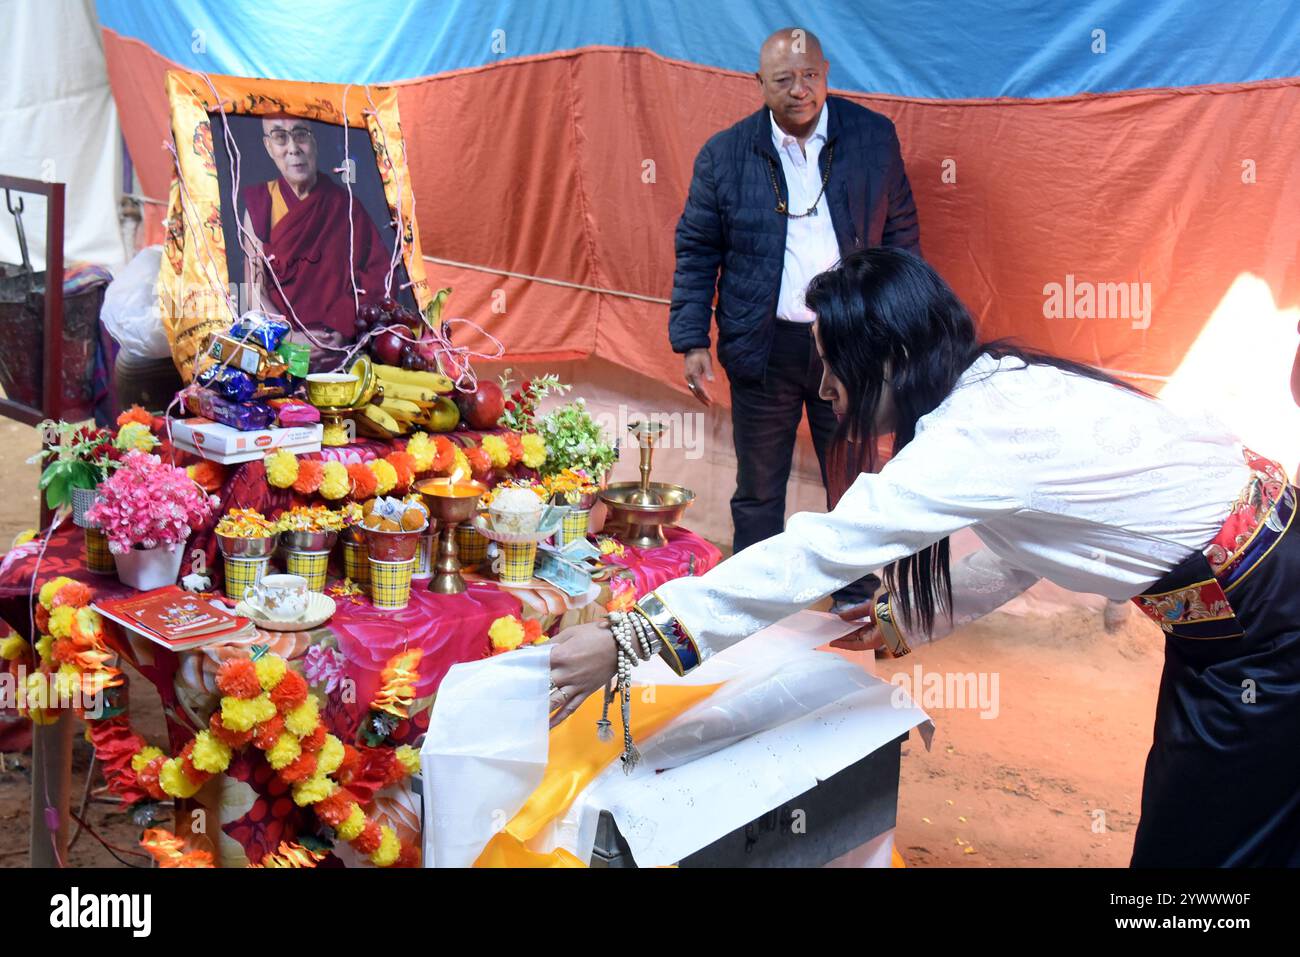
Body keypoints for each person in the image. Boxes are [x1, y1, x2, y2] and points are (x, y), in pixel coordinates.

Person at [550, 247, 1300, 868]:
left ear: (893, 355)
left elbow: (819, 547)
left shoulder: (969, 435)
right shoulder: (1002, 385)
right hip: (1250, 612)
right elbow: (1020, 553)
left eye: (833, 362)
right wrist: (900, 616)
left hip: (1266, 628)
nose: (826, 388)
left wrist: (628, 636)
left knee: (1197, 863)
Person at [669, 27, 921, 612]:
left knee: (854, 480)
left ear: (826, 75)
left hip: (851, 345)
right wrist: (691, 337)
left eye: (810, 76)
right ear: (759, 86)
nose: (800, 90)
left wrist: (898, 325)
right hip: (763, 346)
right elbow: (697, 249)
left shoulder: (874, 140)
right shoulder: (724, 155)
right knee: (759, 486)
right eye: (783, 79)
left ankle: (855, 595)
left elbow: (902, 237)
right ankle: (753, 602)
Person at [239, 115, 391, 365]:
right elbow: (254, 289)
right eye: (279, 137)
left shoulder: (345, 206)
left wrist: (341, 328)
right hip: (283, 348)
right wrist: (290, 336)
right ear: (268, 146)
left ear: (315, 141)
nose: (292, 148)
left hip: (342, 346)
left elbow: (381, 274)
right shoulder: (260, 204)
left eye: (301, 134)